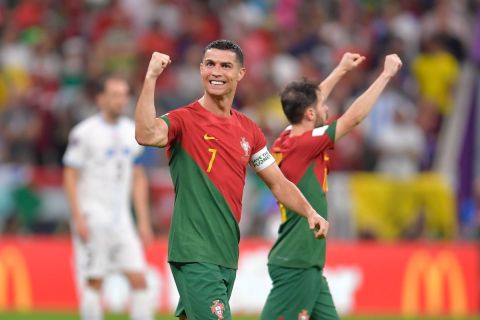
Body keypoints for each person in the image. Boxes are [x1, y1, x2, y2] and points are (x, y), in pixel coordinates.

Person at [134, 39, 329, 320]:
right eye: (210, 64)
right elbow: (145, 134)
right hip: (194, 251)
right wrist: (151, 77)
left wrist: (310, 212)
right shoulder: (184, 120)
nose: (216, 71)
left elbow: (277, 182)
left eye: (226, 66)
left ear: (240, 74)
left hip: (225, 254)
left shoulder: (248, 130)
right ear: (201, 69)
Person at [261, 53, 403, 320]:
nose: (327, 109)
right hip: (297, 263)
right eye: (323, 105)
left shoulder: (287, 138)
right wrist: (386, 75)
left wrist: (340, 69)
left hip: (306, 263)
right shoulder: (306, 143)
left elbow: (309, 102)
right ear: (311, 114)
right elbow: (353, 119)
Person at [63, 75, 154, 320]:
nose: (120, 101)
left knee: (139, 278)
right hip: (93, 215)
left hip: (122, 218)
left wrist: (143, 221)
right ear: (100, 99)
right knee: (95, 280)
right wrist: (78, 217)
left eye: (124, 95)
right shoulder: (84, 132)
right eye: (114, 95)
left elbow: (138, 177)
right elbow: (70, 175)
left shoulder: (131, 132)